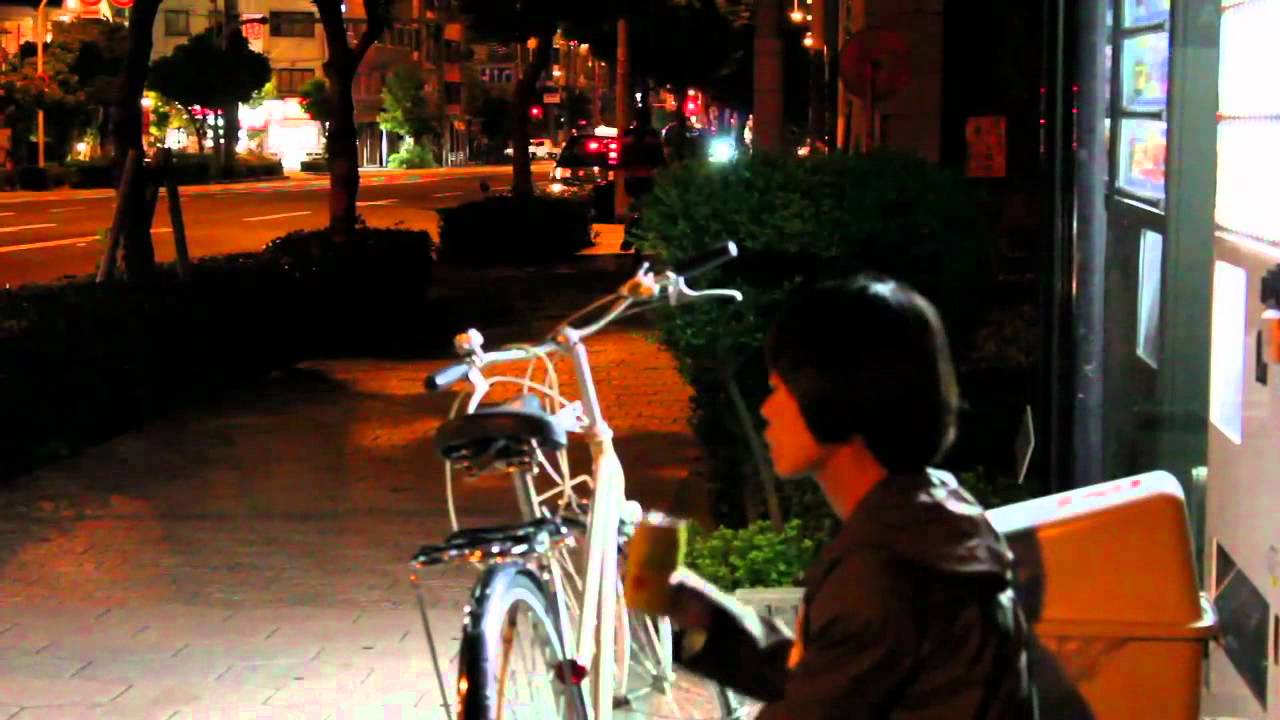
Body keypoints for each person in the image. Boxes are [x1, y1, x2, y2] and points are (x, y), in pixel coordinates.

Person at [661, 275, 1038, 719]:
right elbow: (832, 678)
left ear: (834, 393)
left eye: (779, 389)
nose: (766, 409)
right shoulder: (930, 515)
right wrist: (704, 618)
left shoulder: (885, 568)